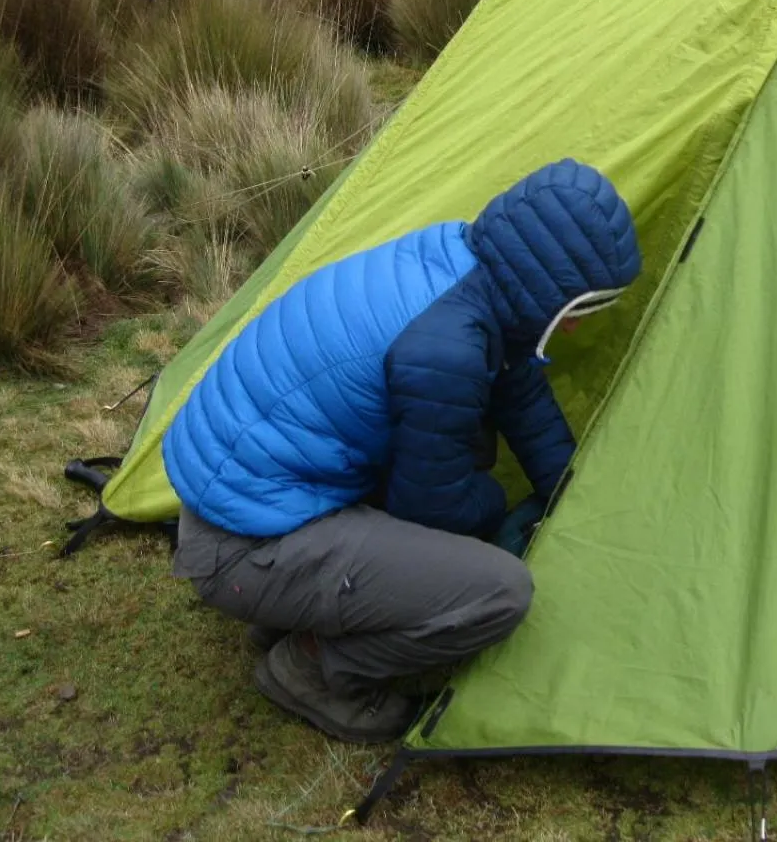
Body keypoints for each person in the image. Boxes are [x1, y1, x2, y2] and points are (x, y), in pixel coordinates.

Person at [163, 159, 641, 743]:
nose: (572, 329)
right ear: (546, 293)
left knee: (462, 446)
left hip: (246, 495)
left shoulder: (458, 264)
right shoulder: (445, 349)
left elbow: (519, 389)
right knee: (499, 591)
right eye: (577, 310)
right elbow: (431, 510)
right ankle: (310, 668)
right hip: (239, 544)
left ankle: (294, 610)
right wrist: (496, 509)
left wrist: (571, 491)